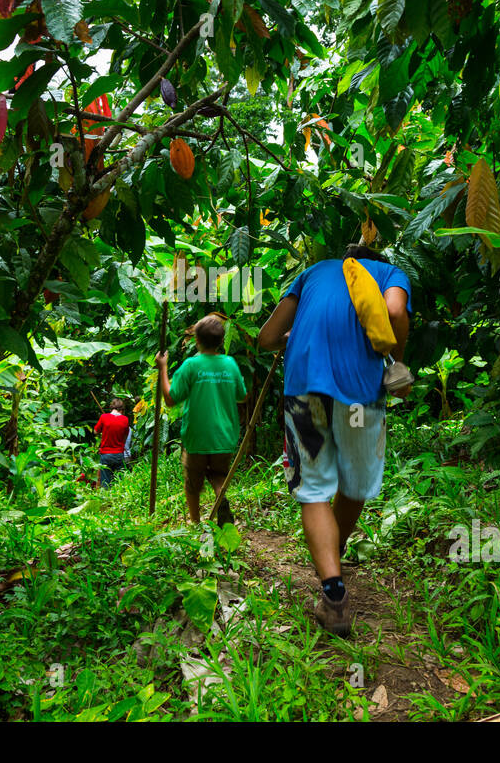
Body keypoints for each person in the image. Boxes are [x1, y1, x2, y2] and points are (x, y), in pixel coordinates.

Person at [257, 244, 412, 636]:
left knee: (313, 490)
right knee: (354, 484)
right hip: (361, 393)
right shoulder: (389, 273)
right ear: (373, 258)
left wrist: (290, 339)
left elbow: (268, 336)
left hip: (305, 388)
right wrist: (398, 360)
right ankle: (333, 564)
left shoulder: (314, 272)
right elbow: (394, 312)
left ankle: (332, 590)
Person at [155, 315, 248, 527]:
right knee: (218, 474)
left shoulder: (191, 365)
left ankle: (196, 524)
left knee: (193, 483)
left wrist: (163, 368)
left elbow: (170, 399)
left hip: (197, 436)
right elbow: (242, 395)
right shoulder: (230, 364)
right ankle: (220, 499)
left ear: (197, 340)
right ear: (221, 340)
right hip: (224, 435)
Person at [94, 398, 131, 488]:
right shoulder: (125, 419)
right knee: (119, 483)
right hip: (119, 454)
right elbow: (125, 437)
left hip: (106, 454)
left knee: (105, 482)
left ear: (111, 408)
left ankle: (106, 500)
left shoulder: (104, 417)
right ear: (122, 409)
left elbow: (95, 431)